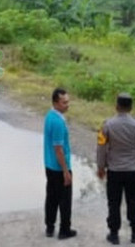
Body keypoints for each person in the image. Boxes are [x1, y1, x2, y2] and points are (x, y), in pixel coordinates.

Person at [97, 93, 135, 245]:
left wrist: (101, 166)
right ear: (131, 107)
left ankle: (114, 234)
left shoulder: (107, 125)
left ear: (117, 106)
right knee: (134, 201)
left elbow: (101, 147)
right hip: (133, 170)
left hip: (114, 170)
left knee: (114, 202)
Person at [43, 88, 77, 239]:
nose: (67, 105)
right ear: (56, 103)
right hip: (59, 167)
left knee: (51, 197)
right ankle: (64, 230)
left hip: (50, 165)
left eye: (67, 101)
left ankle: (50, 227)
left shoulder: (50, 116)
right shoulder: (57, 122)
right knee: (64, 200)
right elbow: (58, 149)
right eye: (64, 102)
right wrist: (66, 171)